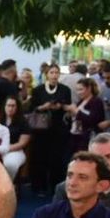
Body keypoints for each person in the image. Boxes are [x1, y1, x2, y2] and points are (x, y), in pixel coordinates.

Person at [29, 65, 73, 195]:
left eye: (56, 72)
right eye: (51, 72)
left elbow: (68, 106)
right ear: (46, 74)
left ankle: (56, 186)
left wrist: (60, 106)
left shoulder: (65, 89)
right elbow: (32, 108)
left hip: (59, 128)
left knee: (57, 159)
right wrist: (44, 107)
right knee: (40, 157)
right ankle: (39, 186)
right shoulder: (38, 90)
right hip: (41, 129)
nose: (54, 75)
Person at [65, 77, 105, 154]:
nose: (79, 92)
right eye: (77, 90)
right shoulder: (81, 101)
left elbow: (93, 119)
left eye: (81, 89)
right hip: (76, 136)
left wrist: (76, 112)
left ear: (89, 88)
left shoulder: (96, 101)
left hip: (88, 138)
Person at [0, 97, 31, 182]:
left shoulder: (23, 122)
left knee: (10, 164)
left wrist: (5, 148)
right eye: (8, 105)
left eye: (13, 106)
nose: (10, 108)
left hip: (15, 150)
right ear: (4, 107)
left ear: (17, 107)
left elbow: (22, 143)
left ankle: (7, 185)